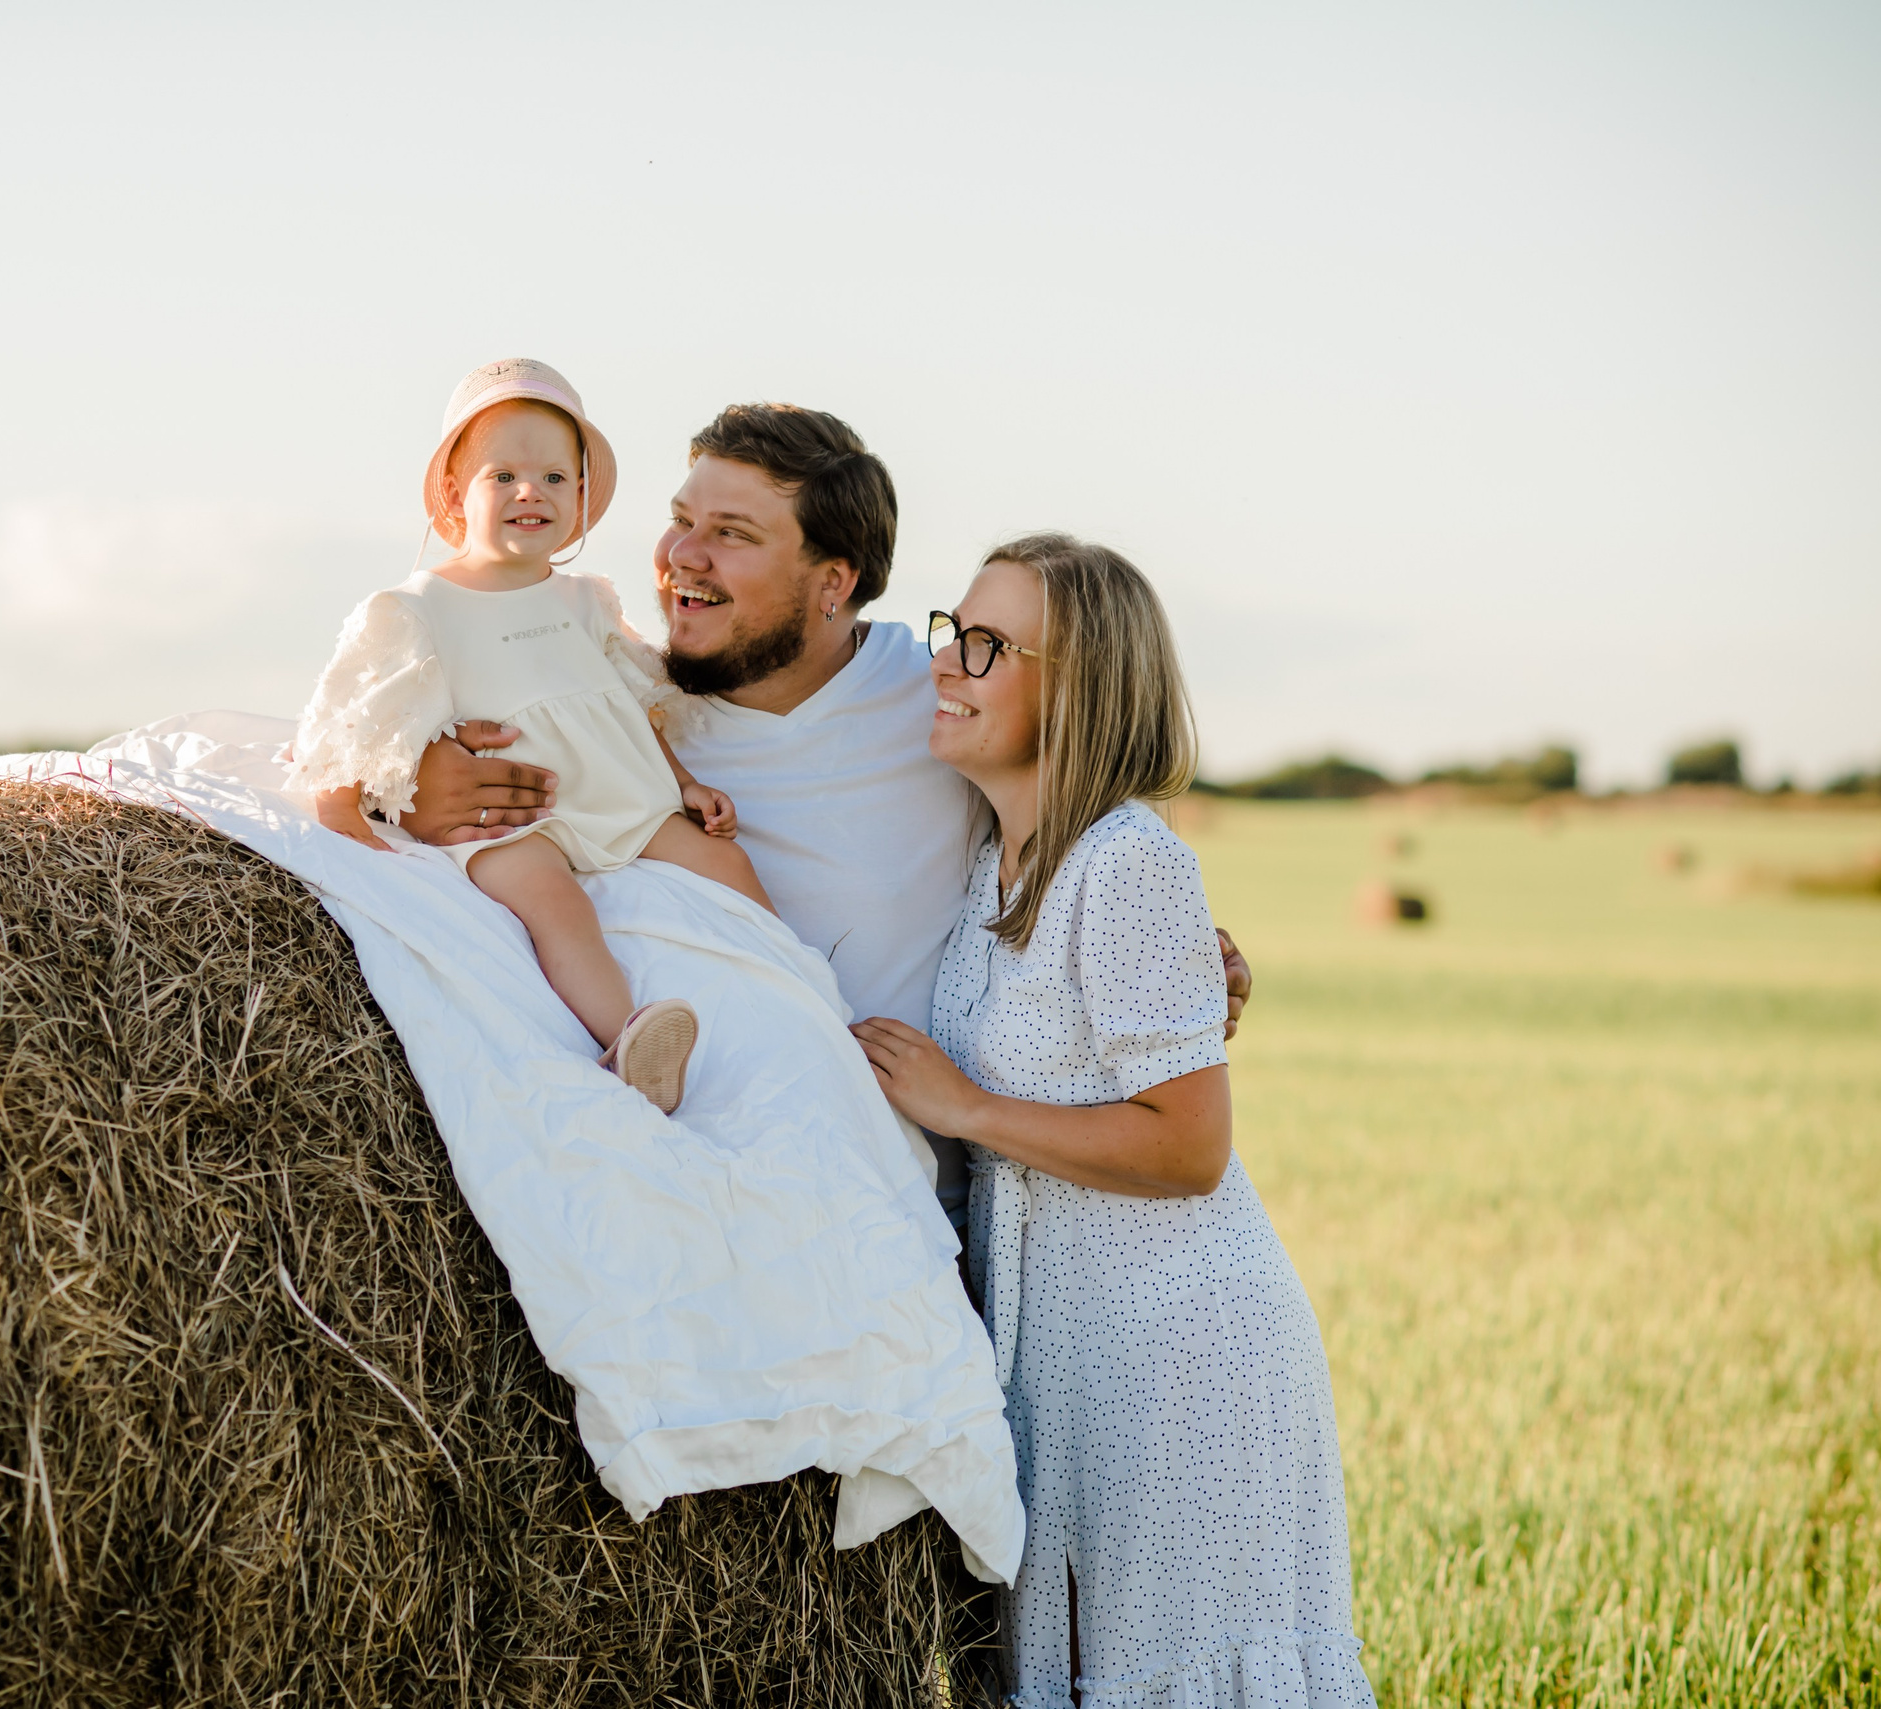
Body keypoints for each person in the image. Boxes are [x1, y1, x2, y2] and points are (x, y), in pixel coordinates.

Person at [395, 403, 1251, 1203]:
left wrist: (1187, 964)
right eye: (682, 519)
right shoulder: (610, 716)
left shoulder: (944, 702)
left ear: (832, 582)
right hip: (719, 1205)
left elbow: (1084, 844)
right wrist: (411, 798)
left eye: (730, 534)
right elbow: (375, 779)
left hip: (932, 1216)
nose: (680, 555)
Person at [853, 534, 1372, 1707]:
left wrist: (968, 1106)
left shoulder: (1126, 860)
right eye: (950, 630)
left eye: (986, 645)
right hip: (1062, 1357)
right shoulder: (993, 858)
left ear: (1075, 684)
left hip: (1179, 1358)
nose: (949, 661)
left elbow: (1190, 1145)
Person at [289, 360, 770, 1113]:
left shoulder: (585, 600)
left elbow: (633, 706)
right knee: (554, 903)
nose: (529, 492)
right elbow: (362, 721)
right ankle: (632, 1036)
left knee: (724, 860)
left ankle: (796, 987)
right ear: (455, 495)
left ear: (580, 498)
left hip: (620, 793)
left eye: (553, 476)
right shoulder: (420, 607)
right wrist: (348, 818)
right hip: (520, 817)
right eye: (503, 474)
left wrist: (683, 784)